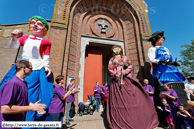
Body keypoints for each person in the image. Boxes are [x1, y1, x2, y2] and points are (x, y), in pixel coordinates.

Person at [0, 16, 54, 124]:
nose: (35, 25)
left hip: (35, 68)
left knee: (30, 93)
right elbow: (14, 46)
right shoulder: (25, 38)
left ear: (44, 28)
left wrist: (46, 66)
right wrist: (15, 38)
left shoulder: (46, 42)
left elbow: (46, 55)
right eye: (33, 23)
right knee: (7, 87)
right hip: (20, 66)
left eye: (38, 24)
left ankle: (29, 118)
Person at [107, 45, 159, 129]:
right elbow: (110, 68)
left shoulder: (125, 58)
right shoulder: (112, 60)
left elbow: (130, 65)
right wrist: (114, 74)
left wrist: (126, 71)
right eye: (114, 49)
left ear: (121, 50)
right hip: (116, 80)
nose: (116, 50)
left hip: (125, 78)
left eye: (118, 48)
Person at [0, 60, 46, 128]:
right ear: (24, 68)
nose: (32, 71)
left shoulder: (24, 83)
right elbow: (4, 109)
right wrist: (30, 108)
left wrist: (35, 106)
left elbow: (21, 100)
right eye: (31, 68)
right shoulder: (12, 84)